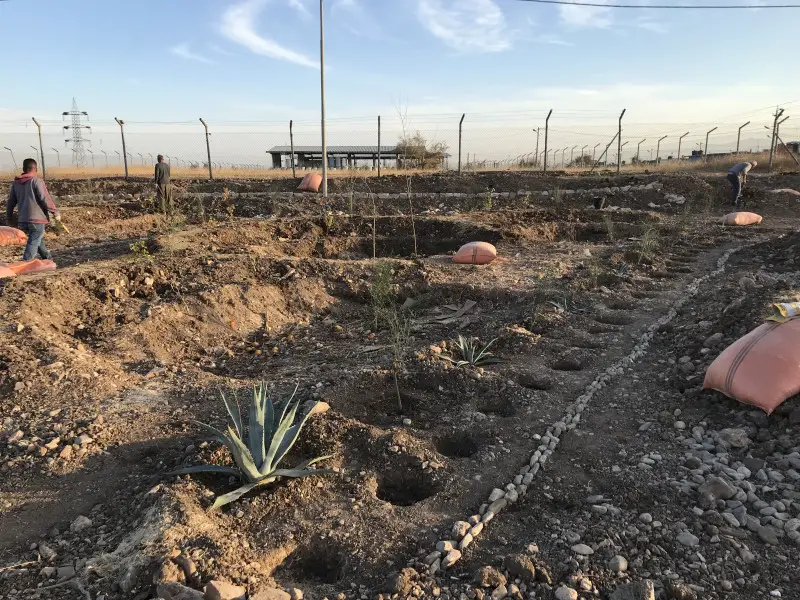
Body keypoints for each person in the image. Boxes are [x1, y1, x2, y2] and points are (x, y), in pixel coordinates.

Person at [5, 158, 60, 261]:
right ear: (36, 169)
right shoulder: (36, 181)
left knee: (37, 240)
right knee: (34, 240)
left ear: (23, 169)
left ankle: (48, 259)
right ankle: (26, 262)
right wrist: (55, 212)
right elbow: (44, 198)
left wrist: (9, 218)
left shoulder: (16, 183)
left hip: (22, 220)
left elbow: (10, 202)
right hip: (36, 219)